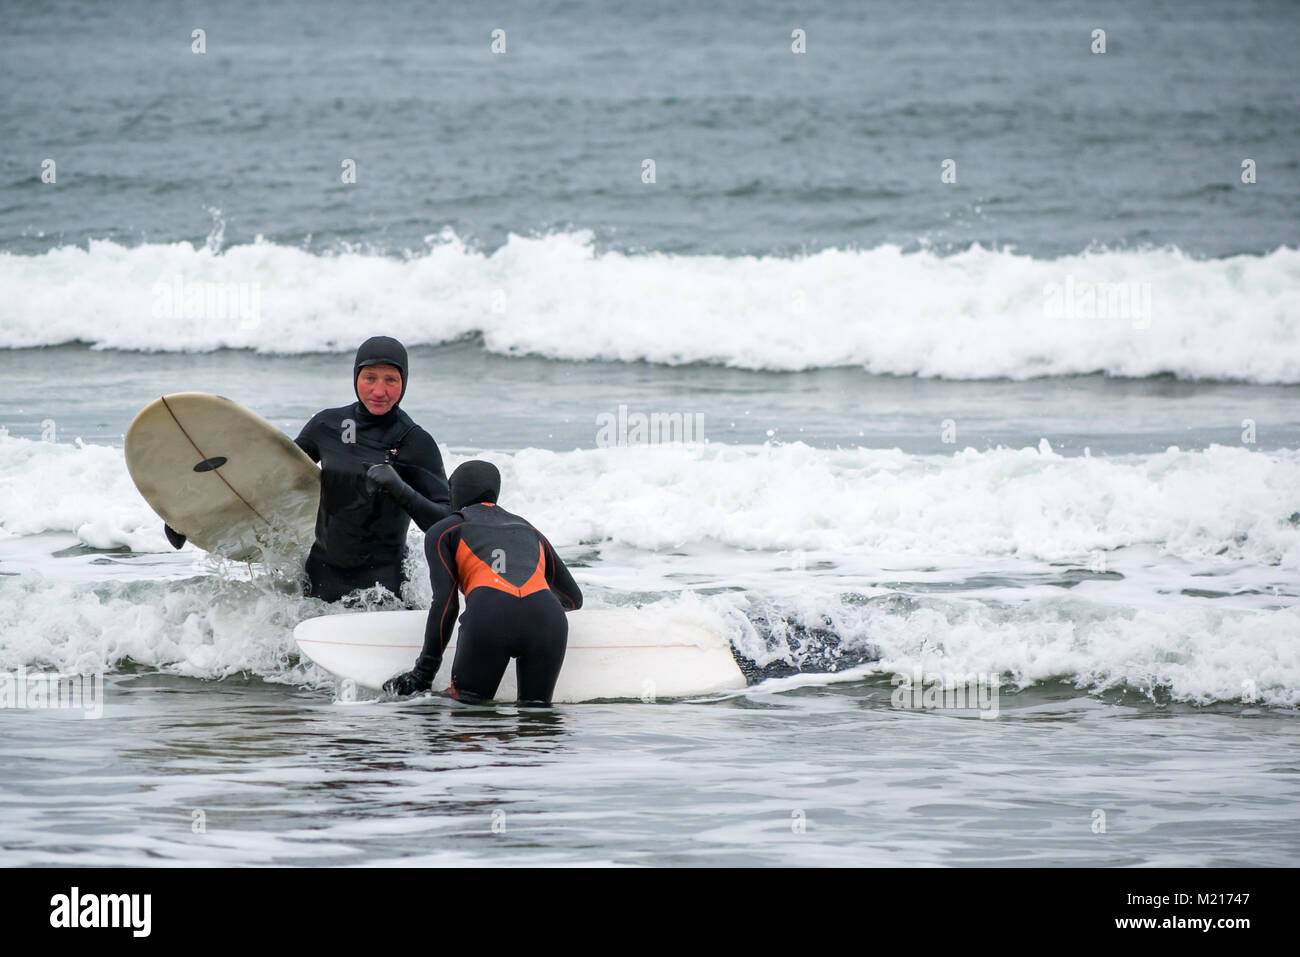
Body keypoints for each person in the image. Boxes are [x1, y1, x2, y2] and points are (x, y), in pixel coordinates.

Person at [385, 460, 582, 705]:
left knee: (470, 719)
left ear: (455, 492)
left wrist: (423, 673)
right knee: (537, 721)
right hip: (548, 622)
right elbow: (574, 599)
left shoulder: (445, 530)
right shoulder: (530, 529)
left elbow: (445, 605)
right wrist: (528, 609)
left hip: (490, 618)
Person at [290, 336, 451, 602]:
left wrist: (401, 490)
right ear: (356, 378)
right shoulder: (326, 425)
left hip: (383, 589)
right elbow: (283, 478)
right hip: (320, 576)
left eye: (391, 380)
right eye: (370, 378)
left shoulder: (414, 441)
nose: (379, 391)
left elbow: (446, 523)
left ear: (404, 382)